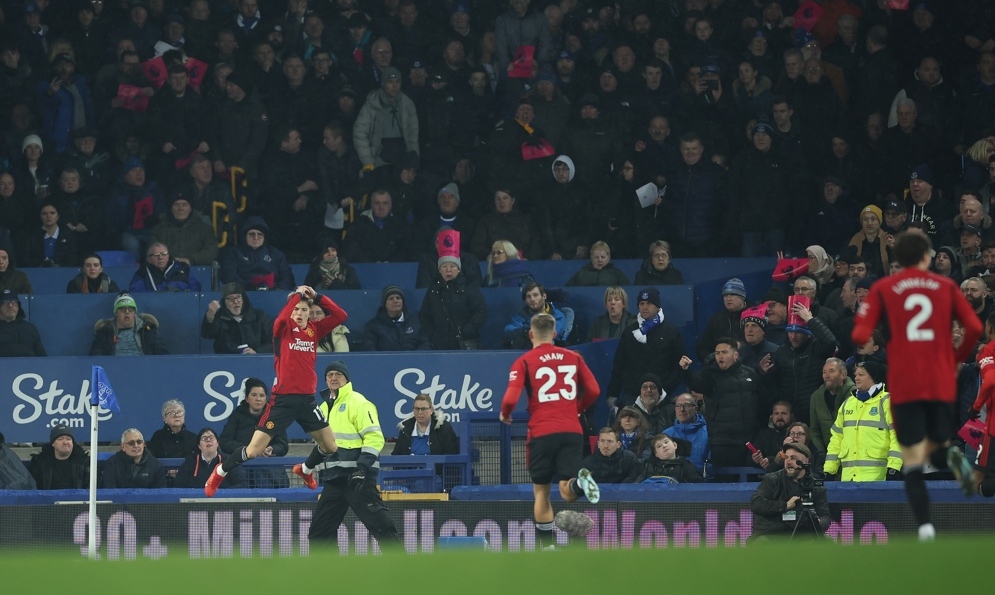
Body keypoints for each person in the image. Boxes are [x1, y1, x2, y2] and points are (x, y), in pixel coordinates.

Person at [852, 231, 983, 541]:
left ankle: (925, 527)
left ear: (898, 259)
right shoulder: (946, 286)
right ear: (926, 257)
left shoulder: (884, 288)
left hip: (905, 383)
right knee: (939, 446)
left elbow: (860, 336)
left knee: (913, 459)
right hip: (939, 380)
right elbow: (975, 327)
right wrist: (955, 359)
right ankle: (956, 462)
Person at [205, 286, 346, 497]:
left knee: (330, 446)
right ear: (290, 311)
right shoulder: (282, 329)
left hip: (307, 401)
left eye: (304, 310)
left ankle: (305, 470)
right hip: (283, 401)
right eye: (296, 310)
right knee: (252, 451)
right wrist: (298, 294)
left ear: (310, 313)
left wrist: (317, 296)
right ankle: (220, 471)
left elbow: (340, 315)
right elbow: (282, 317)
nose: (299, 313)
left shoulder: (314, 331)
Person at [500, 313, 602, 549]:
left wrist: (505, 414)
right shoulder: (574, 357)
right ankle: (580, 484)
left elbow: (510, 398)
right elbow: (595, 391)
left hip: (542, 432)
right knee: (567, 491)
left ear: (530, 334)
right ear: (555, 334)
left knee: (541, 493)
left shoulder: (524, 361)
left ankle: (547, 548)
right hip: (571, 431)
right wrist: (577, 408)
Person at [303, 361, 402, 549]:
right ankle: (330, 577)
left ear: (347, 379)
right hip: (334, 479)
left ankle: (403, 570)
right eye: (330, 375)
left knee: (382, 528)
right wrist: (313, 467)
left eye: (338, 374)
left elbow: (374, 438)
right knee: (319, 532)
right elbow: (323, 445)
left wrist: (362, 468)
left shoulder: (359, 402)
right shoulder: (323, 408)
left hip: (357, 477)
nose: (333, 378)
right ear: (325, 380)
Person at [679, 339, 760, 467]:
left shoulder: (749, 373)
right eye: (717, 353)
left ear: (736, 355)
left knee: (752, 481)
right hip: (723, 442)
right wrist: (686, 370)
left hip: (751, 440)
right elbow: (695, 382)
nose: (720, 356)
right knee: (725, 482)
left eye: (724, 352)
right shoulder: (710, 376)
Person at [822, 361, 902, 482]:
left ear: (873, 377)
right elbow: (836, 439)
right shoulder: (848, 403)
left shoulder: (887, 402)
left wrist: (894, 468)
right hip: (848, 480)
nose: (856, 378)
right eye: (856, 375)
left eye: (861, 374)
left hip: (878, 480)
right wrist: (829, 470)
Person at [606, 287, 685, 408]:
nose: (645, 307)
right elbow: (619, 365)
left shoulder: (671, 332)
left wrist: (664, 390)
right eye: (641, 303)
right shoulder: (630, 332)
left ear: (657, 306)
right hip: (632, 395)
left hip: (661, 395)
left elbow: (678, 366)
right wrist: (613, 393)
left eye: (649, 303)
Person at [748, 443, 829, 541]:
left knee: (827, 540)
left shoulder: (815, 485)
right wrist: (785, 505)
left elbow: (825, 515)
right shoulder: (772, 479)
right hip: (773, 533)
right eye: (786, 458)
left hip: (802, 534)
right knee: (762, 542)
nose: (788, 462)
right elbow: (756, 503)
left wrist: (818, 523)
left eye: (794, 458)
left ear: (806, 461)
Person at [219, 378, 290, 489]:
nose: (258, 399)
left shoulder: (274, 417)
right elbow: (224, 442)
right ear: (247, 398)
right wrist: (247, 450)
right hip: (242, 470)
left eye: (262, 396)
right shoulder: (237, 415)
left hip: (269, 472)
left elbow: (283, 445)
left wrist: (271, 449)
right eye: (254, 395)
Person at [420, 252, 487, 350]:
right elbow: (425, 315)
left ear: (459, 269)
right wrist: (433, 335)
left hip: (464, 344)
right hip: (439, 346)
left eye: (452, 266)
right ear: (439, 270)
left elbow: (481, 311)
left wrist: (466, 331)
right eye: (444, 266)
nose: (448, 270)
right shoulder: (433, 291)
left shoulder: (469, 289)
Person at [218, 218, 295, 291]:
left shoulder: (276, 254)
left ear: (265, 237)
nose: (256, 237)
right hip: (243, 296)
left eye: (260, 234)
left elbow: (287, 277)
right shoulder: (233, 253)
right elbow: (228, 275)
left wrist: (278, 291)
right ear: (245, 236)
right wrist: (246, 289)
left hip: (273, 296)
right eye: (251, 234)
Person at [200, 282, 273, 355]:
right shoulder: (220, 318)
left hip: (256, 361)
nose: (235, 301)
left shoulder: (259, 316)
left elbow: (272, 342)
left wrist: (256, 352)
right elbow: (207, 334)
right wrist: (210, 315)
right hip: (226, 362)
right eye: (230, 299)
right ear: (224, 302)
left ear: (244, 299)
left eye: (238, 297)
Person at [90, 293, 168, 356]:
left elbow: (163, 355)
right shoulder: (105, 333)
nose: (127, 312)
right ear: (116, 312)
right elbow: (96, 358)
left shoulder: (148, 330)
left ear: (134, 312)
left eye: (130, 309)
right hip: (114, 371)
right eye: (123, 309)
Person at [362, 284, 429, 352]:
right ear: (385, 304)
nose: (395, 301)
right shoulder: (373, 326)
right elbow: (370, 349)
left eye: (398, 298)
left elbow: (425, 344)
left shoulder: (416, 322)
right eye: (391, 298)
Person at [503, 281, 570, 348]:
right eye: (529, 296)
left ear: (544, 296)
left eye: (535, 295)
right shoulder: (521, 315)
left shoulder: (557, 316)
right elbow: (508, 331)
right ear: (525, 300)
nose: (532, 299)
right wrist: (524, 330)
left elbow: (549, 333)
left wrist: (531, 330)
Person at [174, 428, 247, 489]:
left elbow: (242, 484)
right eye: (204, 438)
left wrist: (221, 494)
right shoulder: (190, 462)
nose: (208, 440)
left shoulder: (229, 460)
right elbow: (179, 487)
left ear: (217, 443)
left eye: (211, 437)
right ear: (199, 445)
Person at [809, 358, 854, 453]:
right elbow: (814, 430)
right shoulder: (816, 397)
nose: (826, 375)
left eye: (831, 371)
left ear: (843, 374)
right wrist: (822, 453)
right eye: (824, 372)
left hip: (851, 453)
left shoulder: (855, 395)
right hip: (827, 455)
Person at [392, 394, 459, 455]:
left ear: (431, 410)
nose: (420, 412)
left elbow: (452, 455)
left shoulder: (444, 428)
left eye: (423, 409)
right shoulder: (405, 430)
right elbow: (396, 457)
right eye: (417, 409)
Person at [102, 429, 167, 489]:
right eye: (131, 443)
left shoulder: (155, 465)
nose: (136, 446)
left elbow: (161, 491)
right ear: (123, 447)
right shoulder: (112, 464)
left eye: (139, 442)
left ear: (144, 444)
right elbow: (109, 490)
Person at [663, 392, 711, 473]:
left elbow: (712, 464)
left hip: (703, 483)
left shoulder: (709, 432)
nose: (682, 409)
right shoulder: (666, 435)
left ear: (696, 409)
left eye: (686, 405)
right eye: (678, 406)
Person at [29, 425, 89, 489]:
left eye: (69, 439)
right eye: (60, 439)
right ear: (53, 443)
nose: (65, 442)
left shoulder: (84, 462)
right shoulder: (40, 462)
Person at [128, 241, 202, 292]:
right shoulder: (142, 273)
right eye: (156, 255)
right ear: (148, 259)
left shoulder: (182, 268)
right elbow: (136, 292)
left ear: (168, 256)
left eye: (164, 254)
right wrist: (162, 294)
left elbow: (196, 288)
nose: (160, 257)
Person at [636, 433, 703, 484]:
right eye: (659, 446)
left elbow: (694, 489)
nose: (664, 446)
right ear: (656, 454)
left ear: (675, 445)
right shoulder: (648, 466)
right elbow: (636, 486)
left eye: (666, 442)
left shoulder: (686, 466)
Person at [0, 289, 46, 357]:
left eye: (14, 302)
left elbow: (43, 357)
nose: (10, 305)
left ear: (19, 306)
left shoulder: (30, 328)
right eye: (6, 302)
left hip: (30, 367)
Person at [750, 401, 794, 471]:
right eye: (776, 413)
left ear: (791, 416)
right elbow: (749, 461)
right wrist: (756, 459)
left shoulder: (796, 434)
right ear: (771, 416)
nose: (779, 417)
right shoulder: (763, 435)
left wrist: (772, 460)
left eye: (784, 413)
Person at [565, 241, 630, 287]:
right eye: (596, 257)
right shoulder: (581, 274)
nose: (600, 260)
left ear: (609, 257)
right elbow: (568, 290)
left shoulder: (617, 275)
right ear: (591, 258)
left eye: (603, 257)